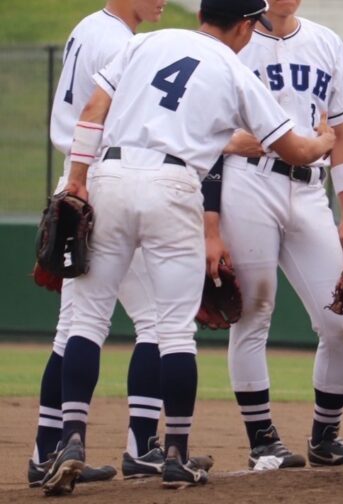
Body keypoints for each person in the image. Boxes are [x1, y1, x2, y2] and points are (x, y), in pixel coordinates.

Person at [40, 0, 335, 495]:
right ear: (245, 26)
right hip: (174, 186)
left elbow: (92, 111)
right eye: (253, 25)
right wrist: (323, 141)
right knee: (174, 330)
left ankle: (71, 441)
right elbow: (296, 150)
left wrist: (77, 181)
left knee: (86, 322)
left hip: (110, 175)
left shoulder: (144, 43)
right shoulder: (235, 71)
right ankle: (175, 453)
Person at [201, 0, 343, 469]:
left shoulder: (325, 42)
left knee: (341, 322)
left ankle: (326, 438)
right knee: (252, 312)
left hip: (310, 191)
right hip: (248, 182)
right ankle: (262, 440)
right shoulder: (235, 40)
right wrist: (210, 225)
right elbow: (207, 136)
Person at [30, 0, 170, 488]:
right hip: (103, 183)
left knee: (72, 328)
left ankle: (46, 452)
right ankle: (143, 447)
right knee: (157, 320)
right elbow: (137, 126)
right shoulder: (120, 43)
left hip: (78, 181)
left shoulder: (89, 27)